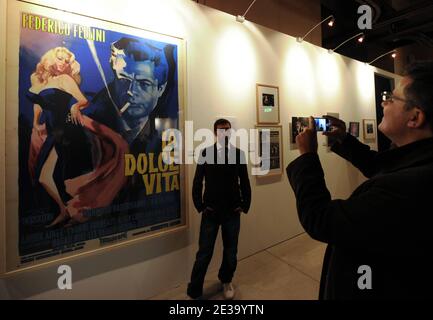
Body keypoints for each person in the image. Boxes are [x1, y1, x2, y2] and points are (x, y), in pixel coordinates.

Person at [286, 61, 433, 299]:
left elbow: (320, 219)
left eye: (391, 99)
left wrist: (308, 157)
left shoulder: (408, 188)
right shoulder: (418, 161)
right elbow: (380, 166)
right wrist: (344, 138)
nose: (383, 102)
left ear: (415, 118)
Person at [27, 47, 128, 226]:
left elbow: (83, 100)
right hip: (52, 132)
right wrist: (35, 123)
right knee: (45, 177)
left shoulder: (65, 80)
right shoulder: (41, 81)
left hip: (65, 131)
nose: (63, 63)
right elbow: (38, 104)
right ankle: (65, 211)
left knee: (50, 176)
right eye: (59, 59)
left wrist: (75, 107)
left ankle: (70, 210)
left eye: (66, 61)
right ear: (51, 59)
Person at [188, 119, 251, 300]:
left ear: (230, 132)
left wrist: (245, 205)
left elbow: (244, 182)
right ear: (215, 132)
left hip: (232, 212)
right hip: (211, 212)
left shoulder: (238, 154)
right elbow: (197, 182)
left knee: (231, 251)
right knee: (204, 253)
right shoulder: (206, 153)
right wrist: (200, 205)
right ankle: (195, 289)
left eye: (227, 130)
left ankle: (226, 280)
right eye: (220, 130)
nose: (224, 133)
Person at [90, 37, 169, 152]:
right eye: (124, 80)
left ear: (160, 89)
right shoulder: (91, 124)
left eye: (143, 83)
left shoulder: (164, 134)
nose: (130, 91)